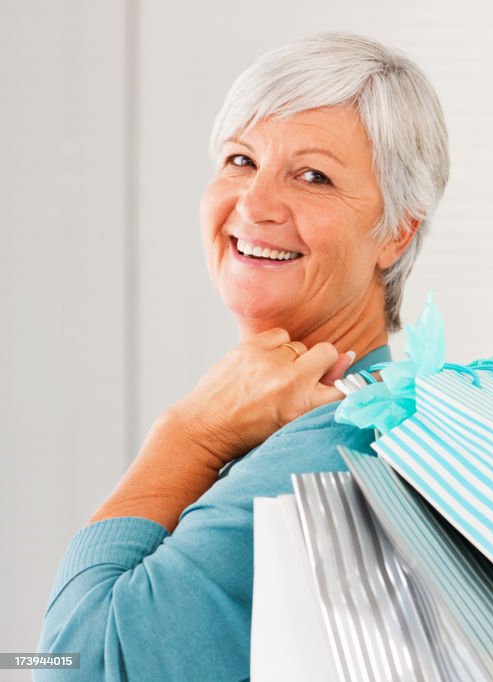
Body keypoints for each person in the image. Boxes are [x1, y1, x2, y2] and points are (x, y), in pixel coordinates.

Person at [36, 32, 449, 681]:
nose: (254, 204)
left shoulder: (331, 450)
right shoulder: (393, 411)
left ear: (395, 233)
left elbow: (68, 665)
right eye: (239, 159)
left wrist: (187, 434)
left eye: (313, 176)